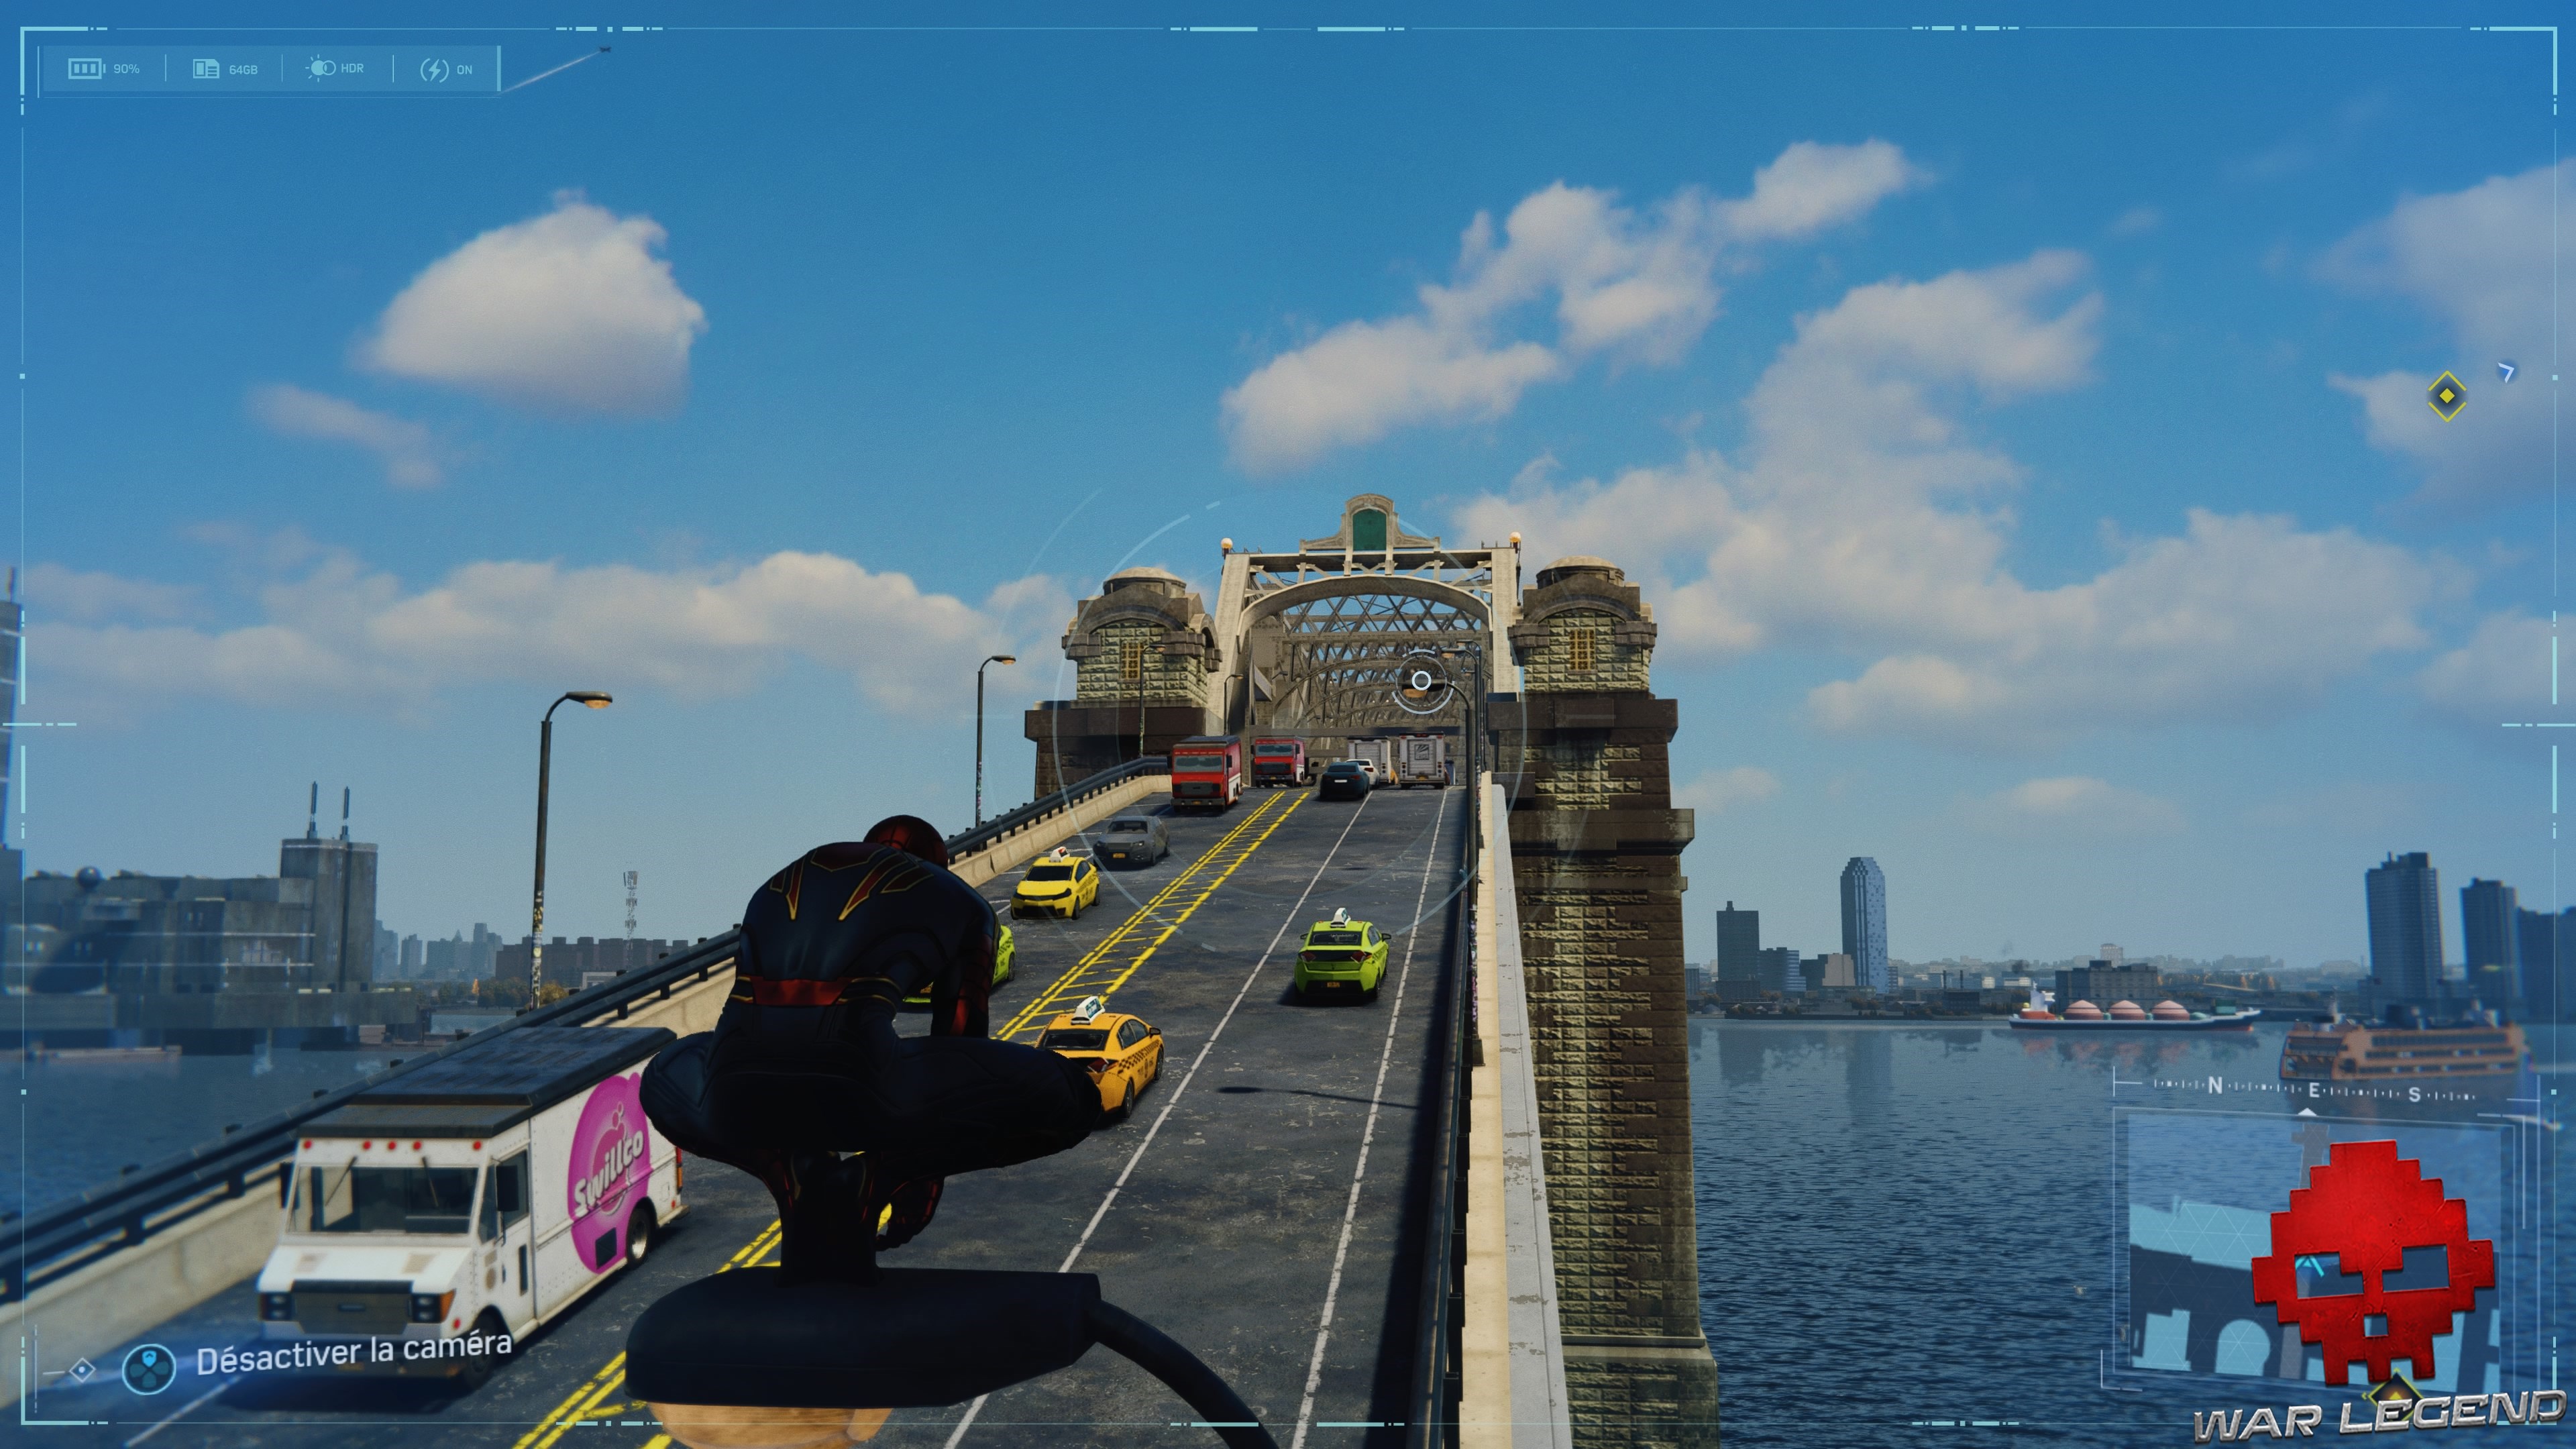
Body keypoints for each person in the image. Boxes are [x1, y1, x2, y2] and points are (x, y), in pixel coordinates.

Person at [640, 815, 1102, 1280]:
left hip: (733, 1095)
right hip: (858, 1091)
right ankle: (882, 1175)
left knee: (661, 1072)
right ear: (937, 862)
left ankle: (785, 1172)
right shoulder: (961, 901)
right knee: (1074, 1098)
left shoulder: (779, 882)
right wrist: (921, 1179)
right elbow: (960, 1037)